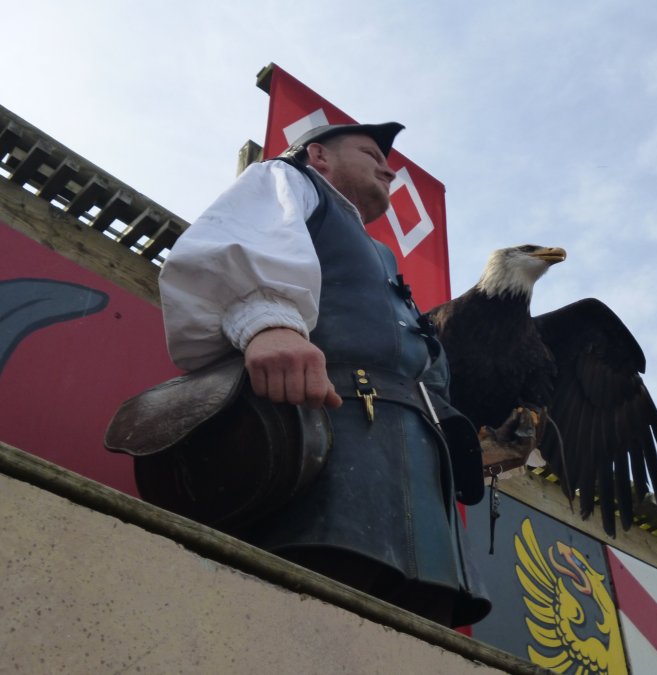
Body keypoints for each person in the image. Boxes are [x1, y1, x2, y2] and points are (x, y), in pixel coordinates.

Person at [158, 122, 490, 627]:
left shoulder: (381, 256)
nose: (388, 167)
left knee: (420, 638)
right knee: (307, 618)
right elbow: (236, 240)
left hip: (419, 484)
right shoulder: (287, 179)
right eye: (370, 152)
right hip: (327, 444)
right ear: (318, 154)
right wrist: (268, 323)